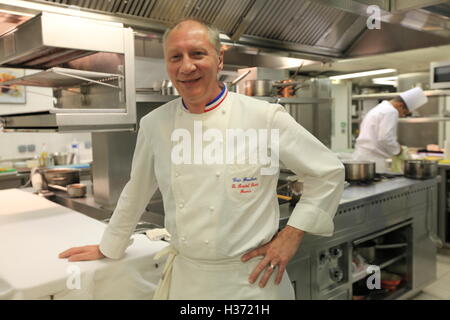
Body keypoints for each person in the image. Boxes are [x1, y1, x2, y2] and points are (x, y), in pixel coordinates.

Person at [59, 18, 345, 300]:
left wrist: (290, 236)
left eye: (197, 54)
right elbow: (137, 190)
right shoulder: (155, 124)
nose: (186, 67)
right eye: (175, 57)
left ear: (219, 58)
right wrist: (110, 246)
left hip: (252, 281)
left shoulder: (263, 117)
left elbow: (327, 172)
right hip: (188, 280)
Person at [352, 87, 428, 173]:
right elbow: (385, 138)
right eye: (404, 113)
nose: (402, 115)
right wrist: (399, 150)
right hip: (374, 161)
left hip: (361, 157)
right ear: (400, 105)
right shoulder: (391, 111)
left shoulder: (380, 108)